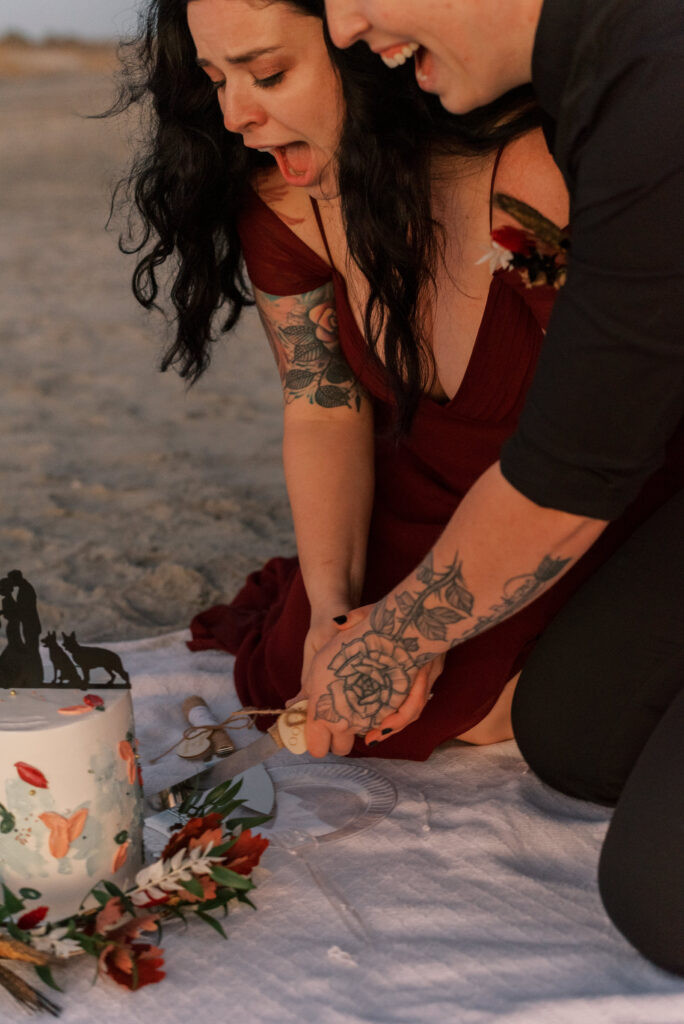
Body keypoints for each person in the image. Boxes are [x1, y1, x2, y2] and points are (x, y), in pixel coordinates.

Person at [317, 0, 684, 975]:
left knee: (663, 896)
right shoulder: (591, 78)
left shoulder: (658, 81)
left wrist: (396, 639)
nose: (343, 28)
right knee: (576, 732)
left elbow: (569, 476)